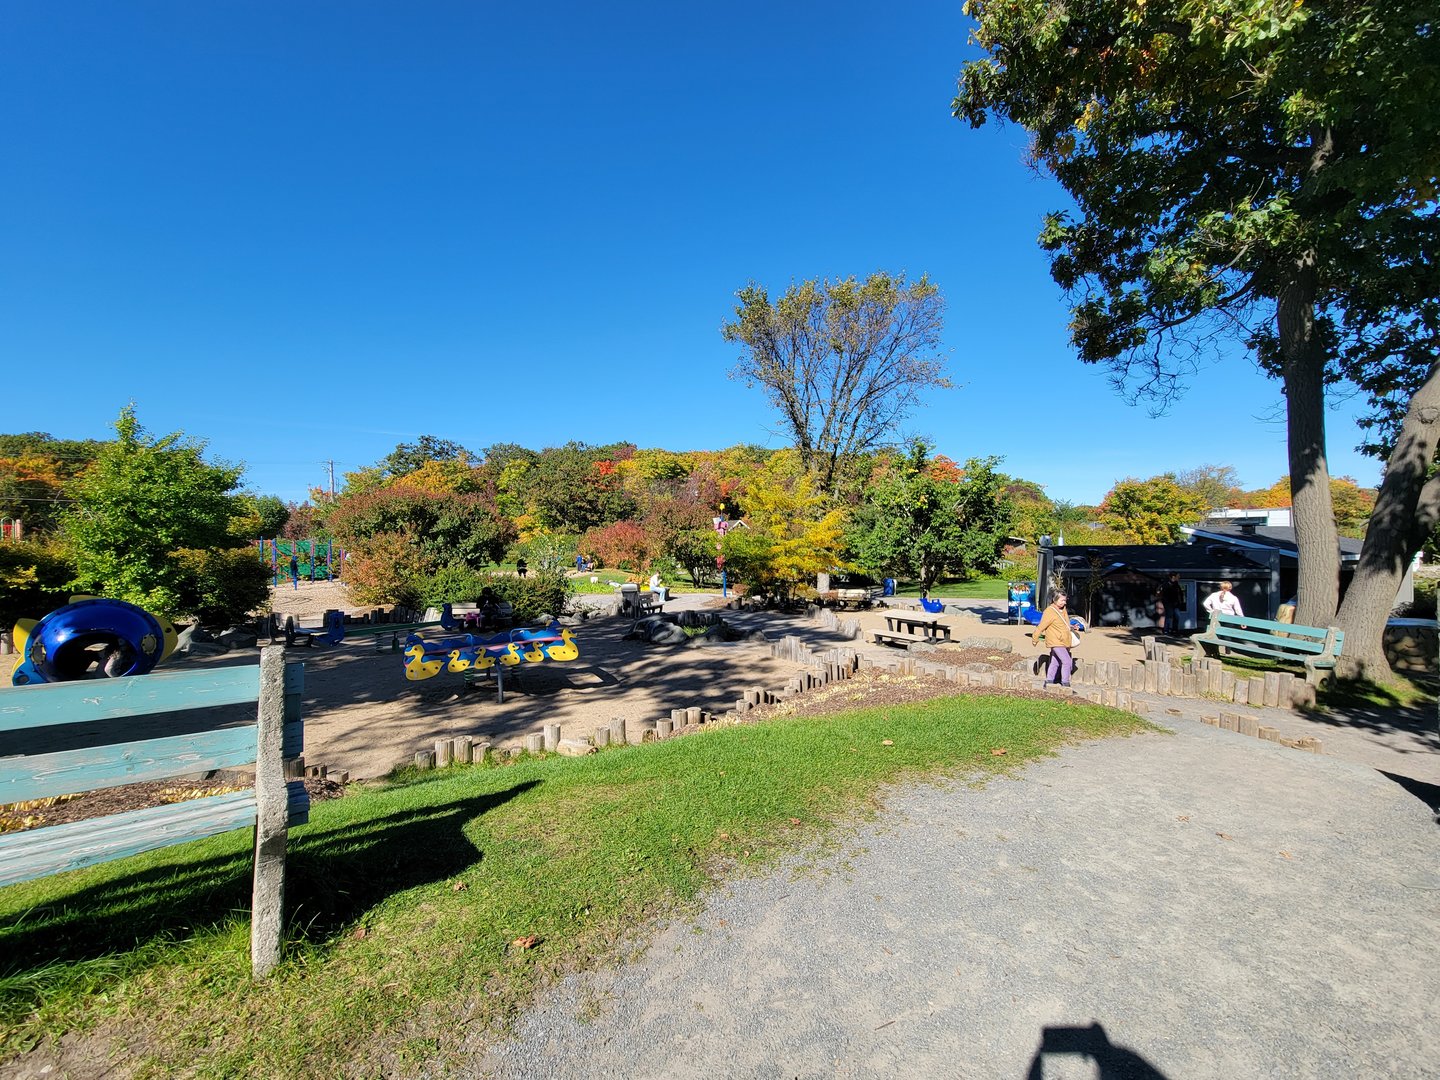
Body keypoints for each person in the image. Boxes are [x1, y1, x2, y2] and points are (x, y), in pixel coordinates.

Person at [1032, 591, 1077, 688]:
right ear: (1054, 599)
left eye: (1065, 600)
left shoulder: (1063, 609)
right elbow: (1041, 626)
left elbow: (1064, 623)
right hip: (1056, 641)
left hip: (1064, 640)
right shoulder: (1049, 612)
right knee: (1067, 661)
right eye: (1062, 600)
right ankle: (1065, 683)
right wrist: (1035, 638)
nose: (1064, 603)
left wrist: (1072, 627)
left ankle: (1049, 681)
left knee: (1055, 661)